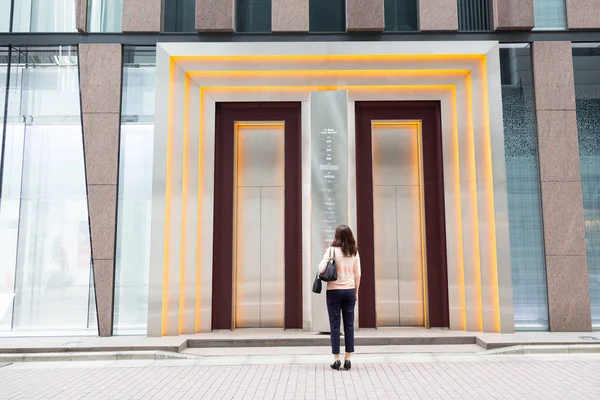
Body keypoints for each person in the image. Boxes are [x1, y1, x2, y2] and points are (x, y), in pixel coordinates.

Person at [318, 224, 361, 371]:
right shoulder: (354, 252)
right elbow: (358, 274)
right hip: (349, 290)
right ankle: (347, 358)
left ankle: (336, 359)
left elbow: (321, 269)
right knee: (349, 325)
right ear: (350, 236)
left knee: (335, 325)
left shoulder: (331, 251)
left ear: (336, 236)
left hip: (334, 291)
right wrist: (355, 292)